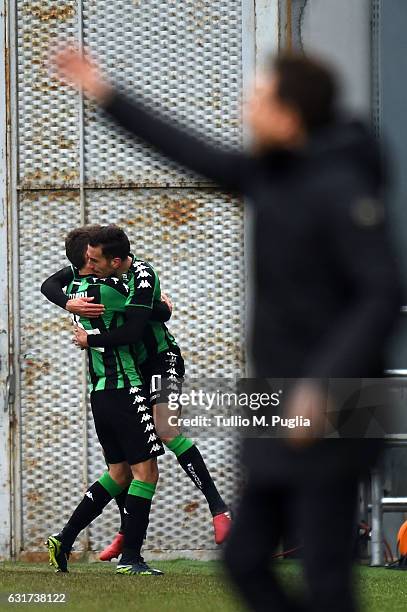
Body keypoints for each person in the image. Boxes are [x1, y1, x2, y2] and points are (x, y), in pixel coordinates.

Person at [54, 49, 401, 610]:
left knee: (327, 577)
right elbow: (189, 151)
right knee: (244, 561)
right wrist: (106, 94)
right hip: (283, 395)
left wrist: (325, 383)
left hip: (341, 400)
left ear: (290, 114)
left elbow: (381, 294)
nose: (246, 105)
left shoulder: (343, 188)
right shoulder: (273, 174)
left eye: (258, 97)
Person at [42, 224, 231, 559]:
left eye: (95, 260)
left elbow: (140, 322)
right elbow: (49, 285)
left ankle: (219, 510)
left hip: (162, 360)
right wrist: (70, 304)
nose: (90, 264)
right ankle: (123, 537)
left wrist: (162, 310)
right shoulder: (91, 272)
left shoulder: (141, 275)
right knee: (126, 465)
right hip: (135, 369)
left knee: (167, 431)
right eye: (88, 259)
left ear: (112, 261)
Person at [44, 226, 167, 576]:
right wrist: (161, 306)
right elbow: (140, 320)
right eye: (94, 258)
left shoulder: (75, 290)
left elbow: (50, 284)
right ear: (88, 258)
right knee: (146, 472)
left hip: (99, 393)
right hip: (125, 389)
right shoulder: (108, 290)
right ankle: (131, 558)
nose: (97, 262)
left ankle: (64, 539)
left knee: (118, 473)